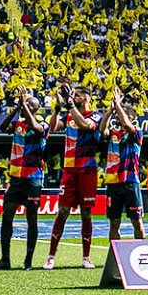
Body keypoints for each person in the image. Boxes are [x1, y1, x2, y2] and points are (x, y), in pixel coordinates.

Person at [0, 91, 50, 270]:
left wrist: (23, 105)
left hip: (33, 179)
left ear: (36, 109)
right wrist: (16, 108)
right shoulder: (18, 124)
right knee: (7, 216)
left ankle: (28, 261)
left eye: (30, 105)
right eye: (26, 104)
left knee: (31, 218)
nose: (26, 107)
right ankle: (5, 260)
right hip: (15, 178)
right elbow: (2, 127)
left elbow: (37, 128)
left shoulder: (43, 124)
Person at [45, 84, 100, 270]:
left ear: (85, 98)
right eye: (72, 95)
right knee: (63, 211)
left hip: (87, 170)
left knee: (86, 213)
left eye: (76, 95)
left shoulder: (95, 116)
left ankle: (86, 257)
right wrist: (57, 108)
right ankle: (51, 256)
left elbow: (84, 125)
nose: (73, 97)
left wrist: (69, 105)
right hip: (69, 170)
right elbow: (53, 127)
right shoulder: (68, 116)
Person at [101, 89, 147, 243]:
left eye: (121, 115)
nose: (118, 118)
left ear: (131, 118)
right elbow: (102, 129)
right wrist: (110, 111)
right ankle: (114, 254)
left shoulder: (137, 133)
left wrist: (118, 104)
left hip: (130, 182)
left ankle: (141, 250)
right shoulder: (113, 134)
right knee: (114, 223)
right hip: (113, 183)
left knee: (137, 222)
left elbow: (126, 124)